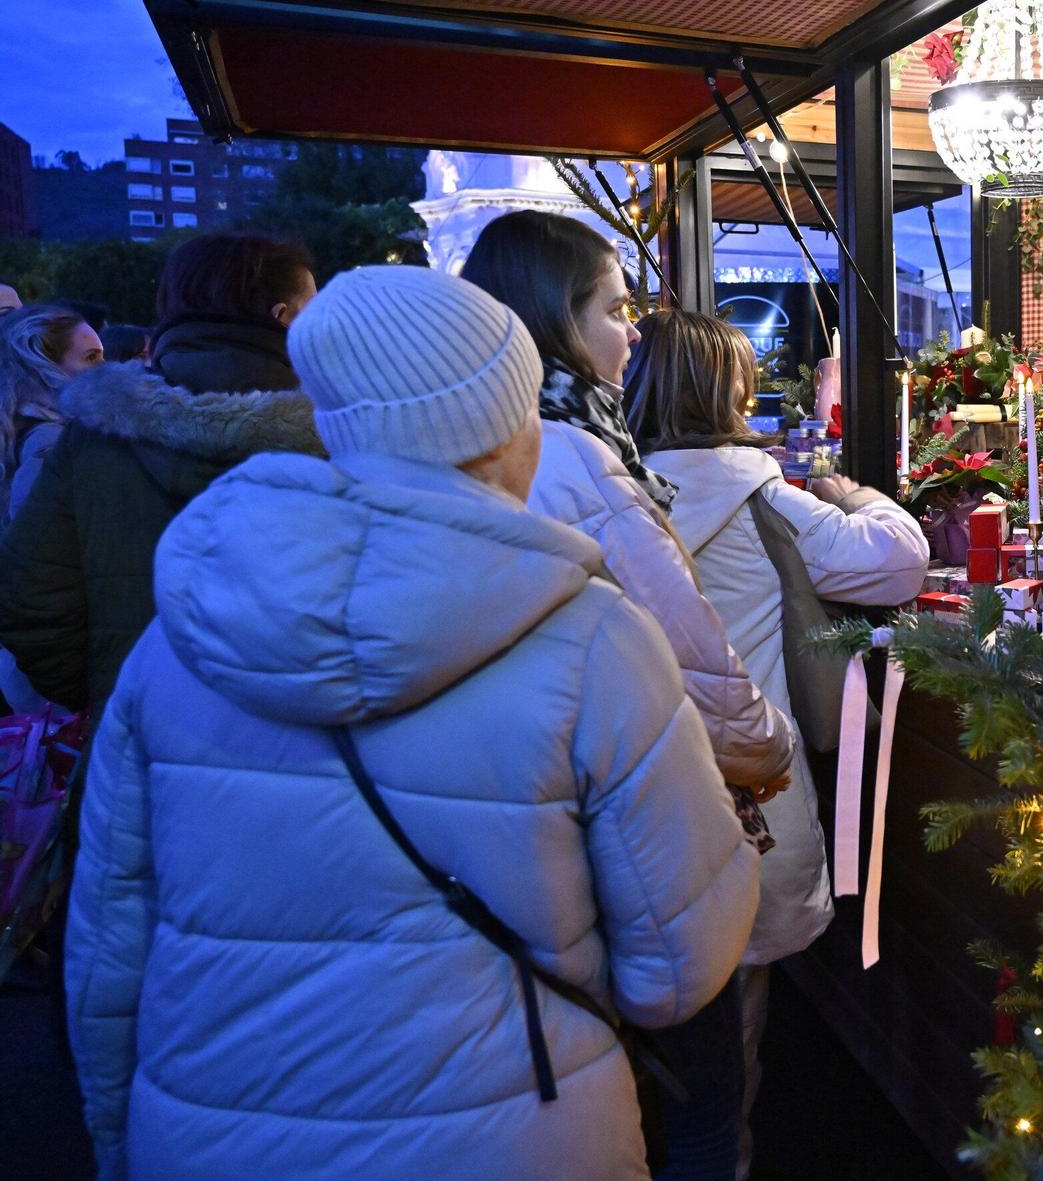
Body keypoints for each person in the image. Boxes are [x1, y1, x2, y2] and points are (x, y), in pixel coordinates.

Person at [64, 265, 758, 1179]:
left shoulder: (178, 642)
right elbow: (677, 967)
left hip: (213, 1137)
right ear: (502, 426)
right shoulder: (594, 641)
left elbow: (107, 956)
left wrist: (119, 1146)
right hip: (516, 1140)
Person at [460, 211, 792, 1180]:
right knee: (697, 1095)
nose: (632, 331)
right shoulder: (573, 453)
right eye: (613, 308)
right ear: (551, 321)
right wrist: (765, 754)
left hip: (528, 828)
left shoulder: (513, 446)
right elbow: (692, 658)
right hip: (629, 813)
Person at [628, 311, 929, 1174]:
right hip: (743, 796)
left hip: (633, 789)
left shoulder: (607, 492)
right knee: (733, 1036)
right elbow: (899, 559)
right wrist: (855, 494)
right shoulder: (769, 500)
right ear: (731, 390)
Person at [0, 234, 322, 718]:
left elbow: (30, 603)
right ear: (284, 316)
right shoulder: (344, 436)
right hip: (305, 746)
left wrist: (116, 696)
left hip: (136, 749)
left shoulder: (91, 435)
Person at [0, 304, 103, 527]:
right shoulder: (50, 438)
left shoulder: (30, 428)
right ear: (43, 365)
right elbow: (35, 533)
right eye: (91, 357)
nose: (106, 368)